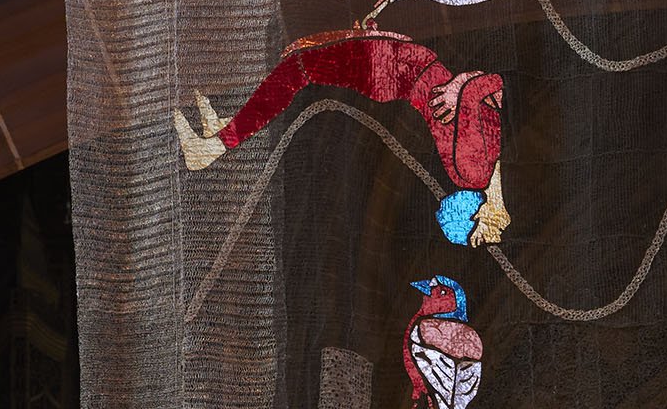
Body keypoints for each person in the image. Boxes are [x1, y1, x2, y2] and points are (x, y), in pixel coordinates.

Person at [172, 29, 509, 248]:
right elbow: (487, 87)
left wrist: (458, 84)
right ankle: (230, 129)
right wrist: (457, 86)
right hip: (399, 66)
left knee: (297, 69)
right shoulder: (479, 169)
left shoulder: (474, 171)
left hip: (393, 70)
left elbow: (481, 86)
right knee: (299, 66)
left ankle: (215, 146)